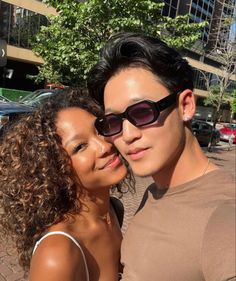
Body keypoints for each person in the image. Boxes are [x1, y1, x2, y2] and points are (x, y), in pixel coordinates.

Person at [88, 32, 236, 281]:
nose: (127, 135)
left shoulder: (223, 217)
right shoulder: (154, 191)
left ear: (185, 106)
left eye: (143, 112)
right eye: (113, 121)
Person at [0, 88, 134, 281]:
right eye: (80, 147)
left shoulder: (114, 210)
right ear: (57, 170)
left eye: (99, 130)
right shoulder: (57, 254)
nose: (104, 146)